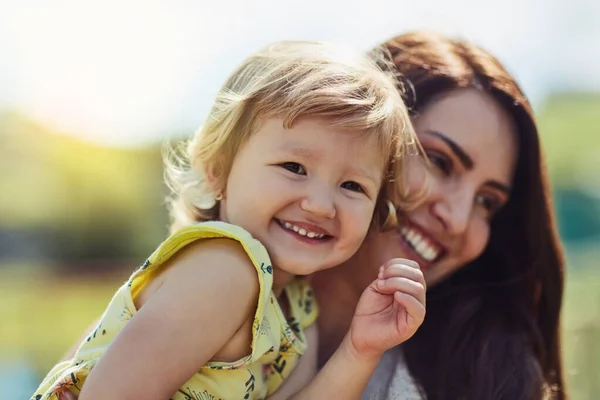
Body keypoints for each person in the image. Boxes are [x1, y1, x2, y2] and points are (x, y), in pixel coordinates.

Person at [32, 40, 427, 400]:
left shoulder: (296, 308)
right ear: (217, 170)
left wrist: (359, 350)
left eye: (353, 186)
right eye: (294, 167)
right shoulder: (226, 270)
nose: (321, 205)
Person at [311, 31, 567, 400]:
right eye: (440, 161)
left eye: (487, 202)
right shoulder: (216, 278)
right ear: (358, 130)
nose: (459, 219)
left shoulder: (486, 380)